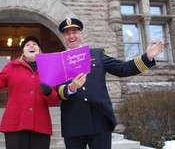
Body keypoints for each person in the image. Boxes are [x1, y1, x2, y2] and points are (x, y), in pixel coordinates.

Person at [55, 17, 164, 149]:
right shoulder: (58, 61)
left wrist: (147, 57)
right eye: (67, 33)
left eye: (75, 32)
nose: (71, 36)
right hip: (73, 120)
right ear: (64, 37)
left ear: (81, 35)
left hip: (99, 117)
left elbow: (123, 69)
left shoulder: (97, 54)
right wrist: (71, 88)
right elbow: (58, 90)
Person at [0, 35, 59, 149]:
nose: (31, 45)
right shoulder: (12, 66)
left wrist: (48, 93)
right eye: (27, 45)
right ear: (23, 51)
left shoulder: (48, 69)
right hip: (15, 124)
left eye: (34, 44)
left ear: (39, 50)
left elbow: (54, 101)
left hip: (40, 125)